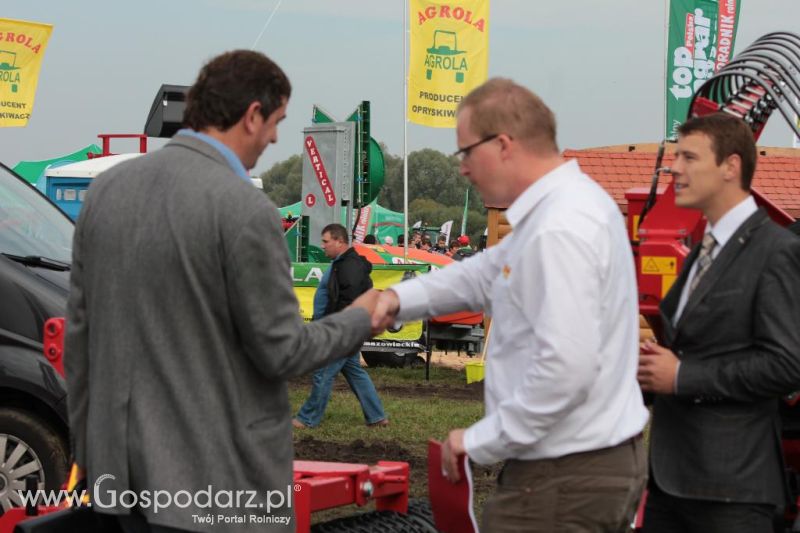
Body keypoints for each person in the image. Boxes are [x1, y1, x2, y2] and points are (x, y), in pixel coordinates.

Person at [65, 50, 380, 533]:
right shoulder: (244, 210)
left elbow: (80, 342)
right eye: (276, 121)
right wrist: (364, 316)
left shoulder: (107, 191)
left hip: (116, 482)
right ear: (252, 114)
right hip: (215, 488)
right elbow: (283, 350)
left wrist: (88, 453)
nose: (275, 136)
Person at [372, 78, 648, 532]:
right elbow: (484, 273)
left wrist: (478, 441)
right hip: (578, 468)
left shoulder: (558, 228)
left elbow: (565, 370)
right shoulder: (563, 211)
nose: (461, 168)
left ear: (503, 145)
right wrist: (397, 298)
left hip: (560, 477)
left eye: (465, 152)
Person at [637, 113, 800, 533]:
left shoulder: (776, 251)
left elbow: (786, 365)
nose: (675, 169)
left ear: (731, 166)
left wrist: (683, 376)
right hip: (672, 482)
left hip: (730, 491)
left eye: (689, 158)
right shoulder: (702, 251)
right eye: (675, 157)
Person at [293, 224, 388, 429]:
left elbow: (351, 299)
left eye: (326, 241)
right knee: (354, 370)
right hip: (346, 329)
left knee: (323, 371)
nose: (323, 245)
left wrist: (338, 326)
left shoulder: (348, 265)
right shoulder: (342, 263)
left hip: (342, 330)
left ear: (339, 241)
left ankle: (307, 418)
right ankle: (377, 416)